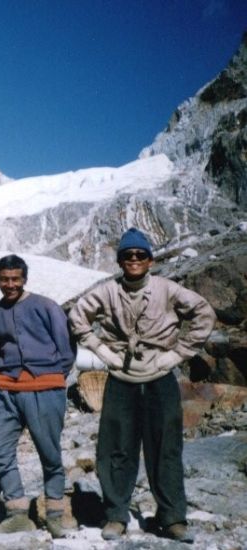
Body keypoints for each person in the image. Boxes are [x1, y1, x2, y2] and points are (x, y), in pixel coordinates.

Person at [69, 228, 215, 543]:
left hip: (160, 377)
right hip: (121, 378)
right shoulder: (107, 291)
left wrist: (177, 354)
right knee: (116, 448)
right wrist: (101, 349)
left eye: (140, 255)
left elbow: (204, 313)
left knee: (166, 449)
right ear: (120, 261)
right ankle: (116, 515)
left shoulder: (168, 289)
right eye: (127, 255)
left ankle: (172, 517)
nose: (134, 260)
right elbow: (78, 317)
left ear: (149, 260)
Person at [0, 254, 75, 538]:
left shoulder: (46, 307)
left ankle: (56, 515)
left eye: (15, 279)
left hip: (44, 389)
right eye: (4, 279)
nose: (10, 284)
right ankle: (17, 513)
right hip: (7, 391)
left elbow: (66, 348)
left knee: (49, 453)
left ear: (24, 278)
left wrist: (51, 378)